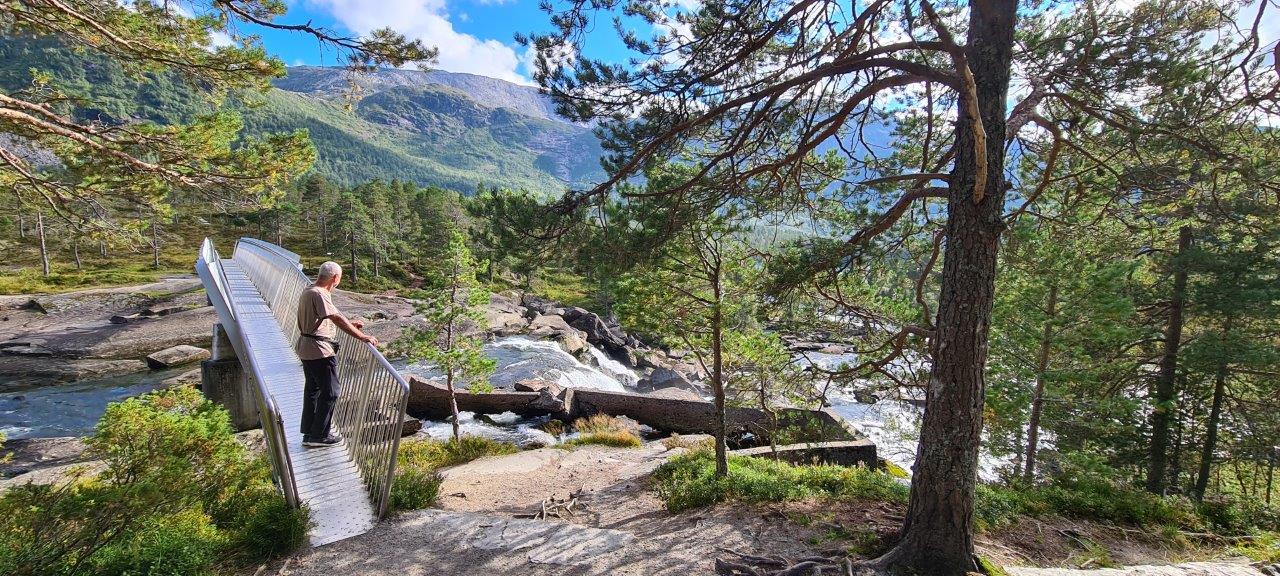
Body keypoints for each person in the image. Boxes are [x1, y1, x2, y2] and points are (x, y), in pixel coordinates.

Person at [296, 261, 378, 447]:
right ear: (336, 278)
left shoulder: (309, 289)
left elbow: (326, 317)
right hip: (319, 351)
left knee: (313, 391)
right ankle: (319, 435)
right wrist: (361, 336)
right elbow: (336, 317)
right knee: (331, 391)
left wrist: (350, 324)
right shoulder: (320, 293)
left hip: (306, 347)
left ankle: (309, 433)